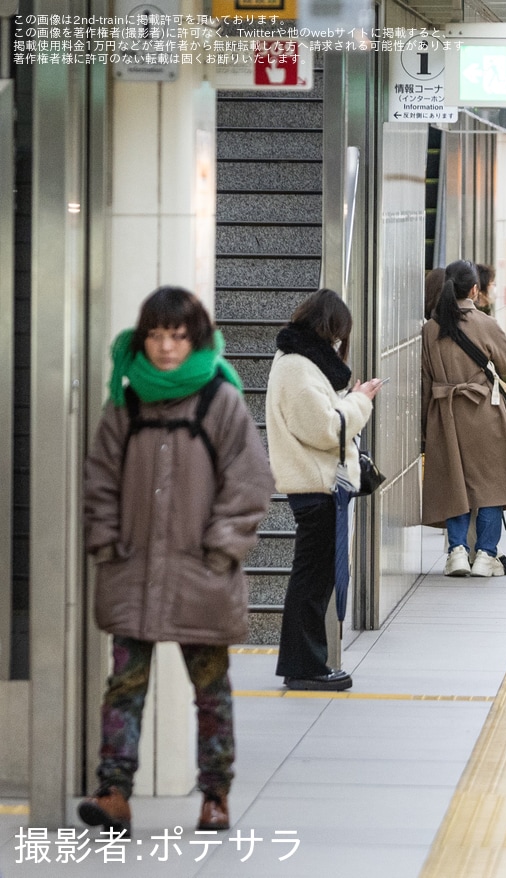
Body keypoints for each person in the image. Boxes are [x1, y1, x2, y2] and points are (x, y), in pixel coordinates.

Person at [81, 286, 274, 835]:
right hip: (132, 569)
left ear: (197, 340)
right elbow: (100, 479)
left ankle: (215, 794)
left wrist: (221, 547)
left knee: (210, 690)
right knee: (124, 686)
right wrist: (104, 540)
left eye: (178, 336)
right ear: (143, 339)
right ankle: (113, 792)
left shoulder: (221, 401)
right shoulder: (127, 402)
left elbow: (250, 482)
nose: (166, 347)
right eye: (157, 335)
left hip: (201, 572)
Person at [266, 289, 385, 691]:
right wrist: (360, 402)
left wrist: (350, 398)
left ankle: (305, 663)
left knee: (313, 580)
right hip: (315, 489)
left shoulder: (299, 363)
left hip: (319, 486)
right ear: (330, 329)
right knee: (312, 582)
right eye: (338, 334)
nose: (339, 343)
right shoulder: (298, 368)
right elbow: (325, 428)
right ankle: (305, 666)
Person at [421, 260, 506, 577]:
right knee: (492, 486)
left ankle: (457, 552)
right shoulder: (485, 323)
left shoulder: (430, 329)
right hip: (482, 410)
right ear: (474, 289)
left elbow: (425, 381)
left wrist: (424, 426)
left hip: (444, 413)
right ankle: (485, 554)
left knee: (453, 484)